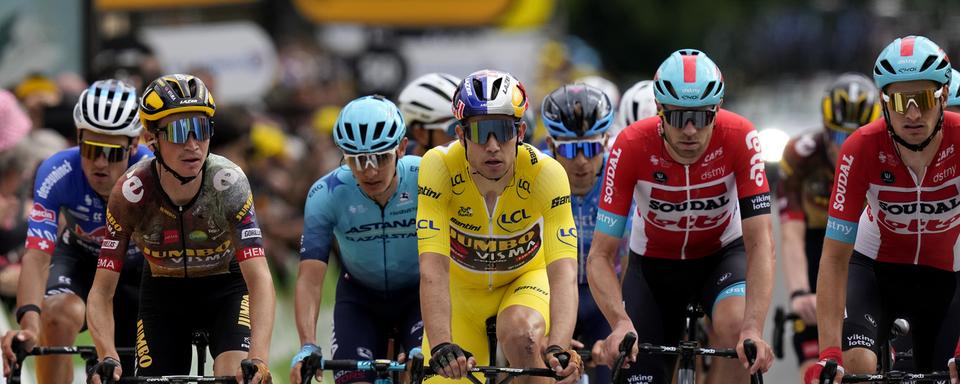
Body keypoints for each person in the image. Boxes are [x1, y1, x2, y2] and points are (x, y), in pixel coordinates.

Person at [587, 49, 776, 383]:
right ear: (659, 111)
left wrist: (753, 327)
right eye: (677, 117)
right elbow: (601, 254)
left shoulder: (741, 136)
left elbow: (760, 243)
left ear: (717, 111)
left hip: (720, 258)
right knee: (638, 366)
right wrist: (619, 322)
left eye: (702, 117)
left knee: (737, 337)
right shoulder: (630, 145)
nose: (690, 130)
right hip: (654, 266)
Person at [85, 74, 275, 383]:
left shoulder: (229, 184)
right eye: (178, 131)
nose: (192, 145)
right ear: (152, 138)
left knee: (237, 376)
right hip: (163, 294)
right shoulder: (131, 194)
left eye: (201, 130)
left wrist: (259, 357)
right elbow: (101, 290)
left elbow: (260, 278)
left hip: (225, 288)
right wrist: (107, 355)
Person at [803, 35, 960, 384]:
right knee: (854, 365)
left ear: (944, 97)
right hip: (874, 270)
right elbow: (833, 257)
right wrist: (829, 353)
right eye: (901, 101)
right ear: (884, 102)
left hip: (946, 277)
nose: (913, 113)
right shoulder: (861, 147)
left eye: (923, 99)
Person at [416, 69, 583, 384]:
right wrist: (440, 344)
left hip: (524, 281)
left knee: (523, 335)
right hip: (462, 293)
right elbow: (432, 267)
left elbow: (563, 270)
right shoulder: (437, 167)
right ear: (460, 134)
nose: (492, 145)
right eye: (481, 133)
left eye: (503, 131)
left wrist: (559, 345)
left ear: (520, 133)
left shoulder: (547, 174)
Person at [0, 80, 152, 382]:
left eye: (111, 153)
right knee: (56, 314)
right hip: (80, 259)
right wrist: (30, 323)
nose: (98, 163)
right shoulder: (57, 171)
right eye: (90, 148)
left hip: (139, 269)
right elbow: (37, 255)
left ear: (133, 145)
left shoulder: (153, 172)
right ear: (78, 138)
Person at [290, 95, 423, 384]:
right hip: (360, 299)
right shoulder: (326, 193)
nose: (369, 170)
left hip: (420, 296)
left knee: (423, 375)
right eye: (357, 160)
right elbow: (310, 279)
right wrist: (308, 345)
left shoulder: (424, 176)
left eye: (381, 157)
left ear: (401, 148)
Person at [776, 73, 881, 378]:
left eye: (855, 135)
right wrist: (798, 292)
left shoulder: (885, 154)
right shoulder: (800, 156)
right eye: (838, 137)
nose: (845, 146)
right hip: (816, 244)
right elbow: (791, 235)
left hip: (868, 248)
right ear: (824, 132)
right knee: (817, 371)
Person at [540, 83, 626, 384]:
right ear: (550, 145)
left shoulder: (622, 171)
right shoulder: (531, 171)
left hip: (602, 295)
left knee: (615, 374)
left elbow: (632, 255)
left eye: (590, 148)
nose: (580, 161)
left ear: (605, 142)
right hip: (548, 292)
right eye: (568, 148)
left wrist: (622, 320)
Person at [398, 73, 461, 155]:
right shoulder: (393, 166)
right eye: (454, 127)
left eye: (469, 126)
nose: (464, 135)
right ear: (421, 134)